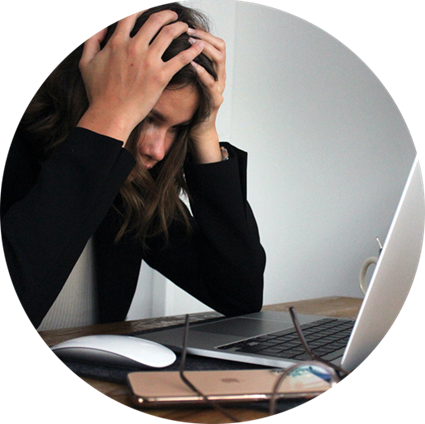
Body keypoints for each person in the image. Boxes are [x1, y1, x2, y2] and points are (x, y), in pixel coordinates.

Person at [0, 2, 266, 331]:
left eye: (177, 129)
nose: (157, 150)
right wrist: (111, 115)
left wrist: (203, 129)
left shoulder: (130, 188)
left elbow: (239, 295)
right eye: (148, 117)